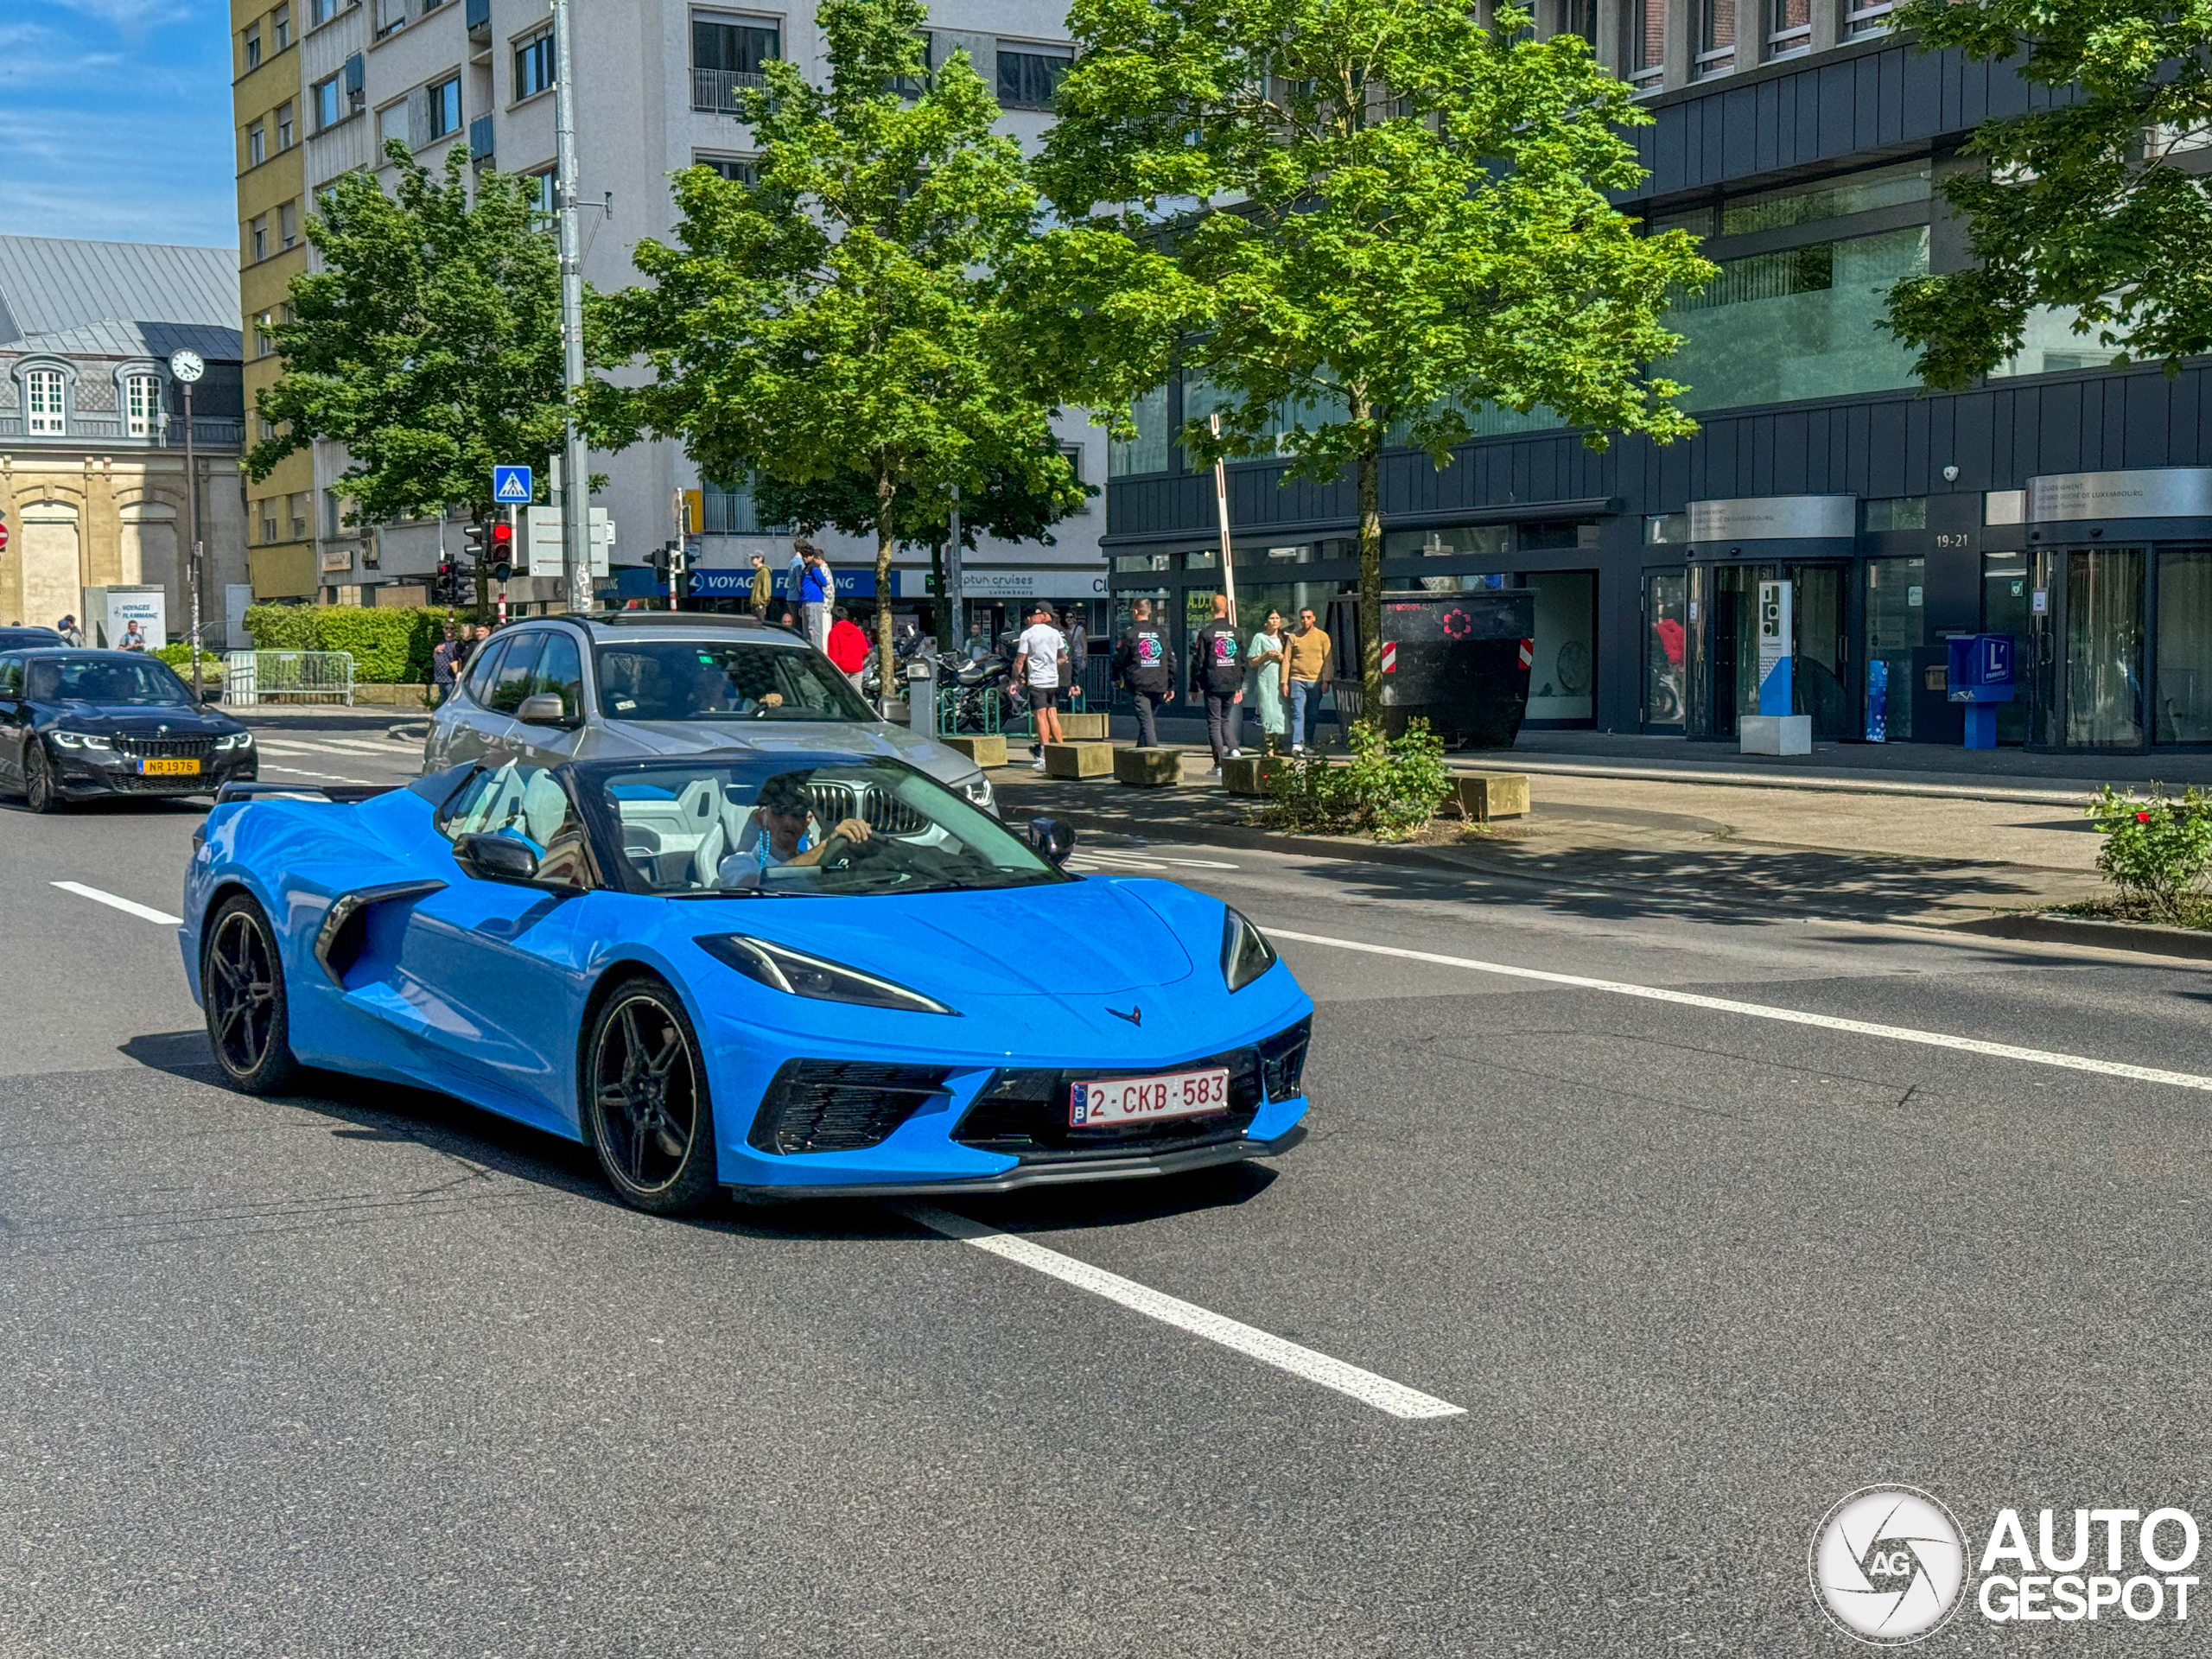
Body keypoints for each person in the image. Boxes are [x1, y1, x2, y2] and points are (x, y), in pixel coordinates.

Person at [717, 772, 872, 887]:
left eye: (797, 814)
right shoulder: (738, 863)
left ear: (808, 821)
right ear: (760, 819)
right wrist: (826, 845)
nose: (788, 821)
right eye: (779, 811)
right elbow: (755, 887)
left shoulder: (823, 862)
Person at [1190, 593, 1245, 774]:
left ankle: (1219, 764)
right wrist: (1239, 685)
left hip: (1213, 682)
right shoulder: (1236, 632)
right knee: (1225, 719)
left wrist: (1194, 686)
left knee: (1214, 722)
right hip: (1230, 682)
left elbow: (1199, 662)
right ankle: (1235, 748)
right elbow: (1241, 661)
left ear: (1211, 609)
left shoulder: (1206, 633)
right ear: (1227, 609)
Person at [1109, 598, 1175, 747]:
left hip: (1139, 685)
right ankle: (1139, 756)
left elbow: (1119, 659)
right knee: (1147, 720)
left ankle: (1153, 758)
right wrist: (1171, 685)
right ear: (1149, 612)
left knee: (1147, 724)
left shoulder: (1130, 634)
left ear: (1136, 612)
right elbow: (1171, 661)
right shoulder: (1161, 633)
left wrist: (1115, 677)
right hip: (1159, 684)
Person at [1013, 601, 1070, 770]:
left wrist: (1015, 679)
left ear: (1030, 618)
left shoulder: (1027, 635)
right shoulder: (1055, 633)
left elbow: (1019, 661)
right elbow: (1063, 657)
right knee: (1053, 714)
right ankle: (1062, 751)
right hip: (1053, 680)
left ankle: (1044, 756)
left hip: (1038, 680)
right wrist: (1052, 663)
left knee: (1040, 717)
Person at [1284, 606, 1334, 753]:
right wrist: (1284, 682)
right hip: (1297, 679)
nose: (1305, 620)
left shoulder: (1322, 636)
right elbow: (1287, 659)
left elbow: (1328, 659)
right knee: (1298, 711)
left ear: (1314, 618)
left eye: (1308, 617)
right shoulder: (1294, 637)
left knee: (1312, 713)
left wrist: (1327, 680)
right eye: (1303, 617)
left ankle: (1308, 744)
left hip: (1316, 680)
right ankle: (1297, 743)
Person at [1244, 607, 1287, 754]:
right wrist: (1265, 655)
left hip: (1281, 678)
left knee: (1281, 712)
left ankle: (1279, 742)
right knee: (1268, 710)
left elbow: (1291, 659)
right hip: (1266, 679)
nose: (1274, 621)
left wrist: (1281, 657)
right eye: (1271, 618)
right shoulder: (1260, 637)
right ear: (1266, 622)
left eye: (1277, 618)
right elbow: (1252, 662)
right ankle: (1269, 745)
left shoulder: (1285, 637)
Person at [798, 544, 835, 653]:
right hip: (806, 600)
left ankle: (816, 653)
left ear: (812, 556)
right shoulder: (807, 569)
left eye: (807, 556)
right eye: (803, 556)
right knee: (808, 631)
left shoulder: (814, 568)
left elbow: (823, 582)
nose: (805, 558)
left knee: (814, 630)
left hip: (814, 600)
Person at [826, 605, 868, 690]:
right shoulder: (857, 631)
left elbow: (833, 655)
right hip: (856, 667)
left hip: (842, 668)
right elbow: (865, 650)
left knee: (842, 694)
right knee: (857, 694)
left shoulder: (834, 632)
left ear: (834, 619)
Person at [430, 624, 461, 709]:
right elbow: (435, 657)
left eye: (452, 628)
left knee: (450, 700)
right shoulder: (441, 643)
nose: (449, 631)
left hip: (450, 677)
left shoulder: (456, 644)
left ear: (455, 630)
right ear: (443, 630)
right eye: (447, 628)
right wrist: (435, 650)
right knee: (443, 701)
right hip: (440, 677)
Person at [748, 553, 772, 620]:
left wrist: (762, 603)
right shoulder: (758, 572)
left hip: (759, 606)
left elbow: (766, 588)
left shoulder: (764, 571)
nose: (752, 560)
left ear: (760, 559)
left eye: (754, 558)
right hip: (755, 605)